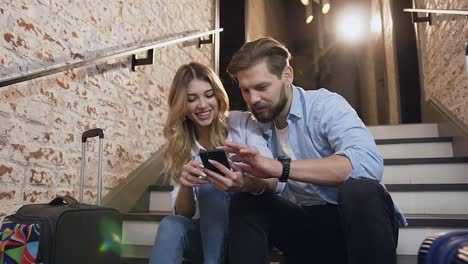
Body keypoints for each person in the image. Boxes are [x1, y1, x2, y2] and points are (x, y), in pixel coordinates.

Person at [203, 37, 407, 264]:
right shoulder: (255, 125)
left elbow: (367, 164)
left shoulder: (324, 105)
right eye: (245, 90)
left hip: (356, 227)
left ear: (287, 75)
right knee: (247, 201)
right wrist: (246, 183)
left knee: (360, 189)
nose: (253, 99)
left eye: (262, 87)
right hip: (307, 229)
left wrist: (282, 167)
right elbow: (270, 186)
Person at [148, 62, 276, 264]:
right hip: (209, 234)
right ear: (182, 104)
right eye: (191, 99)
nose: (202, 105)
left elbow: (272, 174)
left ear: (218, 96)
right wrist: (186, 186)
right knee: (170, 224)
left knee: (211, 187)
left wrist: (242, 179)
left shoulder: (241, 122)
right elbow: (184, 213)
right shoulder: (181, 145)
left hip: (248, 230)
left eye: (208, 95)